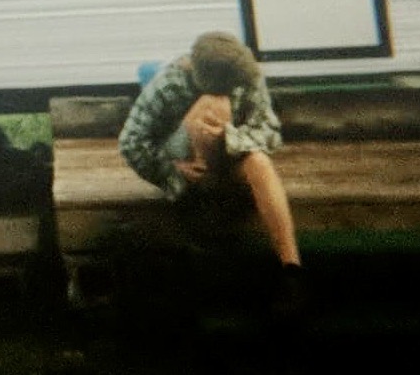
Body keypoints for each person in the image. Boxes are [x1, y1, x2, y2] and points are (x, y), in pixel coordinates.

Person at [118, 31, 305, 315]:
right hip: (187, 157)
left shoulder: (247, 75)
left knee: (260, 164)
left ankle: (292, 271)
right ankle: (211, 244)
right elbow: (131, 141)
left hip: (233, 149)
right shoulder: (169, 83)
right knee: (209, 109)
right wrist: (169, 171)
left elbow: (269, 134)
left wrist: (230, 137)